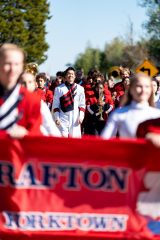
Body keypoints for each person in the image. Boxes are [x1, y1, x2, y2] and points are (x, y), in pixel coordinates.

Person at [0, 43, 42, 138]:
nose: (12, 69)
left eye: (16, 64)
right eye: (7, 63)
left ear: (22, 67)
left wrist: (26, 134)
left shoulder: (32, 100)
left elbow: (37, 136)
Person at [101, 73, 160, 139]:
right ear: (131, 89)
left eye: (147, 86)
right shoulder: (118, 114)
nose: (143, 90)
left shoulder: (157, 114)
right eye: (139, 86)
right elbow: (104, 140)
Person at [20, 72, 61, 137]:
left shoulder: (40, 103)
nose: (27, 86)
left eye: (30, 82)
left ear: (34, 84)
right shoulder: (11, 102)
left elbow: (50, 127)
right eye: (23, 83)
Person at [52, 67, 85, 138]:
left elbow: (82, 104)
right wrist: (57, 117)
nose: (71, 75)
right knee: (63, 140)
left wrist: (81, 116)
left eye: (72, 74)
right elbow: (55, 105)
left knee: (75, 141)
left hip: (75, 118)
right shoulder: (58, 89)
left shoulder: (80, 88)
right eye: (69, 74)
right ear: (65, 76)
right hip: (63, 118)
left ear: (75, 76)